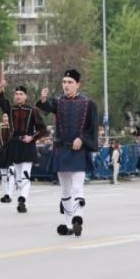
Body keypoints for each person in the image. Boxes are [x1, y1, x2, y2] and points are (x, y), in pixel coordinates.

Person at [36, 69, 99, 237]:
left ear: (78, 84)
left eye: (70, 82)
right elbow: (47, 107)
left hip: (78, 150)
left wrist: (82, 139)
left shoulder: (88, 103)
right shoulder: (58, 101)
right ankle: (69, 224)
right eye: (64, 82)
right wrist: (42, 100)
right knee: (64, 190)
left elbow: (92, 128)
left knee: (77, 187)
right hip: (61, 149)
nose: (66, 85)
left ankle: (78, 217)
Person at [0, 81, 47, 213]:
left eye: (21, 94)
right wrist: (0, 89)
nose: (18, 96)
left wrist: (32, 137)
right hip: (15, 144)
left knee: (25, 174)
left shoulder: (32, 110)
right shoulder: (11, 109)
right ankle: (21, 198)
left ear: (26, 96)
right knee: (18, 176)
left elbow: (42, 129)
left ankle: (22, 200)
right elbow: (2, 102)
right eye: (16, 94)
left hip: (28, 144)